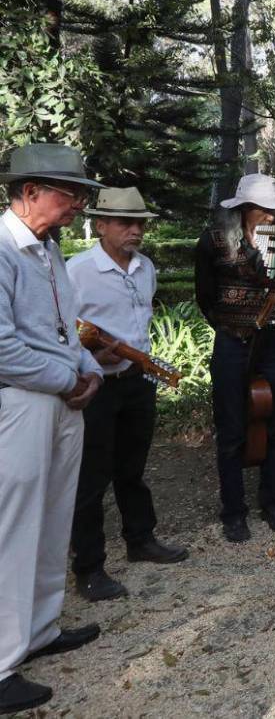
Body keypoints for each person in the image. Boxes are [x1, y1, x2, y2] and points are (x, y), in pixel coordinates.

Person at [0, 143, 104, 715]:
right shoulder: (1, 249)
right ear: (29, 192)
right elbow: (2, 346)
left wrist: (85, 371)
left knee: (52, 514)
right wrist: (65, 379)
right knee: (13, 526)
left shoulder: (47, 248)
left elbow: (65, 327)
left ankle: (38, 629)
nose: (78, 204)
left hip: (61, 397)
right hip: (22, 401)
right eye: (70, 193)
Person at [66, 188, 189, 602]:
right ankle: (89, 567)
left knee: (132, 468)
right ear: (101, 225)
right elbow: (59, 329)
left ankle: (140, 540)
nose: (135, 231)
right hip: (97, 385)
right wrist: (89, 356)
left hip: (137, 381)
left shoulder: (146, 267)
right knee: (91, 477)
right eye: (125, 223)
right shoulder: (77, 271)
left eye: (140, 223)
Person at [194, 173, 275, 543]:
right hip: (231, 342)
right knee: (231, 428)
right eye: (266, 210)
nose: (272, 216)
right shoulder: (213, 241)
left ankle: (273, 503)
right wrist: (233, 325)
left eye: (274, 209)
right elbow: (205, 296)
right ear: (246, 209)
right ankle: (233, 512)